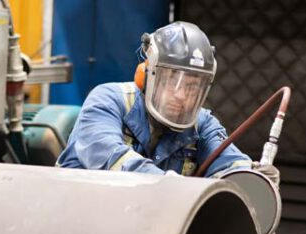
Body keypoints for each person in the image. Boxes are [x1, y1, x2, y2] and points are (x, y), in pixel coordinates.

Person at [57, 21, 280, 185]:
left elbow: (230, 164)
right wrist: (172, 187)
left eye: (192, 87)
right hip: (75, 222)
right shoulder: (108, 100)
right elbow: (110, 157)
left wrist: (251, 178)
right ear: (146, 75)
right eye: (172, 81)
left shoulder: (202, 125)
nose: (181, 95)